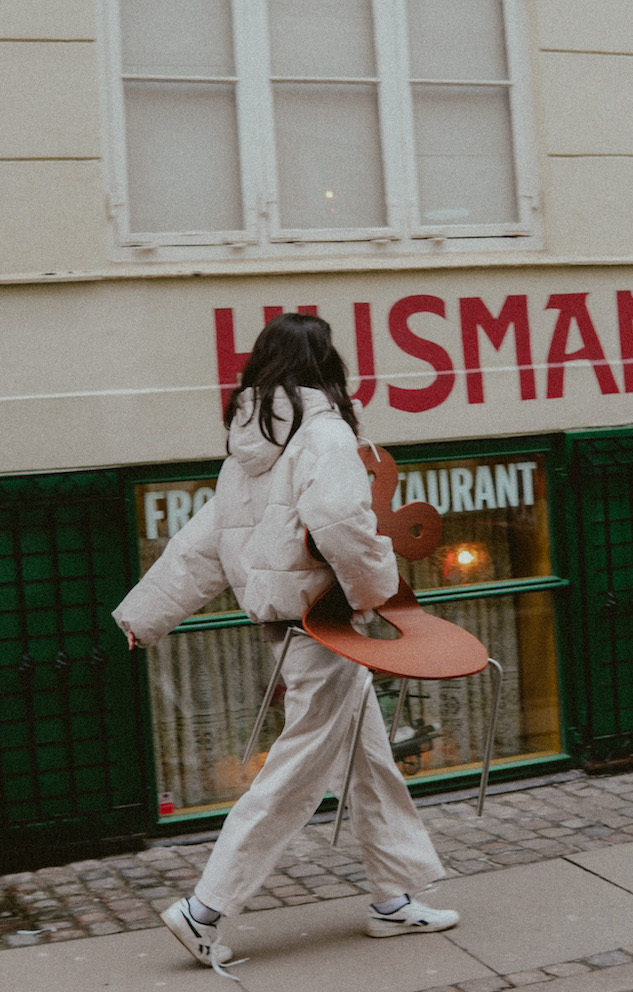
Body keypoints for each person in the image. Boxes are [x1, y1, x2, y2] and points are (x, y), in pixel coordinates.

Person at [112, 313, 457, 977]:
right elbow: (344, 527)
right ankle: (205, 910)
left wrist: (144, 615)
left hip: (290, 629)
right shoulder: (324, 435)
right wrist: (376, 596)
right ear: (325, 363)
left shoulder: (251, 446)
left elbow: (204, 542)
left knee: (370, 766)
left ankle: (393, 898)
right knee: (294, 778)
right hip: (323, 626)